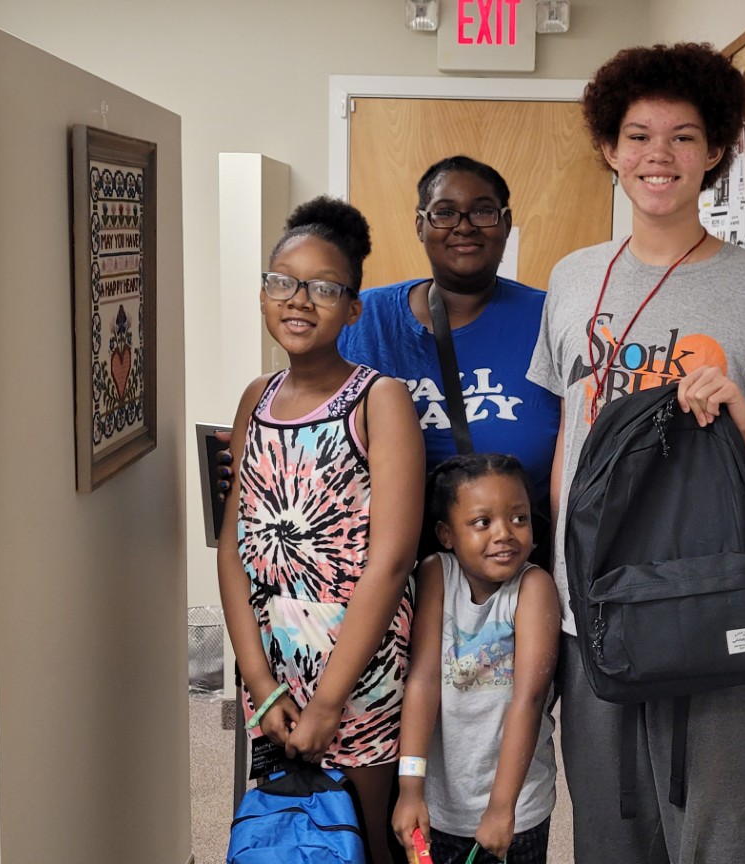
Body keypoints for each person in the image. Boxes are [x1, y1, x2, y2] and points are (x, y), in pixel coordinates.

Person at [527, 43, 745, 862]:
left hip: (713, 606)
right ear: (610, 151)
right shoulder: (574, 280)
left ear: (717, 149)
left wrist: (741, 416)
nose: (660, 156)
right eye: (639, 135)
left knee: (722, 840)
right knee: (612, 839)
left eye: (684, 137)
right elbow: (568, 451)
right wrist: (554, 583)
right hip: (598, 614)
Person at [217, 196, 426, 864]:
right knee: (287, 838)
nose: (298, 300)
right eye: (282, 281)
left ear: (353, 308)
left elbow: (391, 563)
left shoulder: (379, 399)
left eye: (323, 288)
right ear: (263, 293)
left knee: (358, 842)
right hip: (273, 656)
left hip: (355, 666)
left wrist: (330, 700)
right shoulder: (256, 397)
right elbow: (233, 546)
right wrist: (258, 679)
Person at [339, 156, 561, 564]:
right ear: (420, 225)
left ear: (506, 223)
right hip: (389, 577)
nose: (464, 225)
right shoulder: (365, 320)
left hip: (517, 584)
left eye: (482, 210)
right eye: (444, 213)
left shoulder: (550, 318)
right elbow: (311, 418)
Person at [391, 453, 561, 864]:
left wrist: (502, 809)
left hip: (514, 812)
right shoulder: (435, 573)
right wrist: (410, 788)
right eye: (482, 523)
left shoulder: (534, 587)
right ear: (447, 534)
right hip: (441, 809)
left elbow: (529, 700)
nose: (505, 533)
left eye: (519, 518)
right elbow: (424, 679)